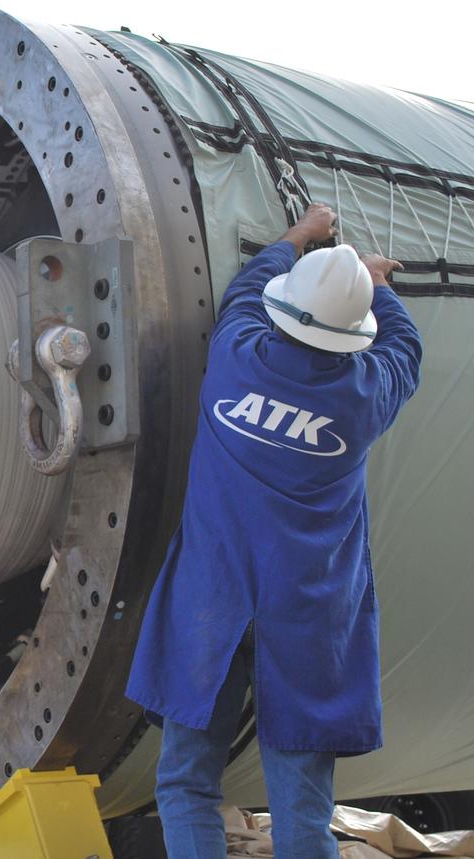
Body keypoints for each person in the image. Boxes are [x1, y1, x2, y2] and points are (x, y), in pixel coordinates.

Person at [124, 203, 423, 858]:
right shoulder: (363, 397)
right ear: (353, 336)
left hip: (213, 596)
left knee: (185, 781)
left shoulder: (235, 356)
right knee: (300, 806)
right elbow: (407, 349)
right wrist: (378, 287)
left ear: (286, 310)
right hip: (309, 611)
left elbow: (244, 291)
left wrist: (302, 235)